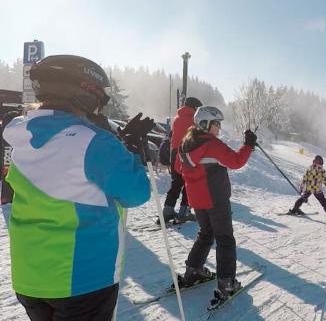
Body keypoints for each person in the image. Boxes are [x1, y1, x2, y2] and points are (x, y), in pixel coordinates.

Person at [3, 55, 153, 321]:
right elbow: (137, 192)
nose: (99, 106)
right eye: (99, 98)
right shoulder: (93, 141)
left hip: (30, 277)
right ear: (83, 93)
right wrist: (131, 149)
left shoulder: (23, 136)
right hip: (81, 278)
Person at [175, 106, 256, 296]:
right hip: (215, 198)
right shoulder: (212, 144)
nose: (219, 128)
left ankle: (193, 270)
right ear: (205, 123)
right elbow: (236, 161)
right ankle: (227, 282)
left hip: (197, 199)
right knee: (225, 238)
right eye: (216, 124)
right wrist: (249, 145)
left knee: (206, 234)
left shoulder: (186, 142)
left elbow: (179, 167)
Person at [162, 96, 203, 223]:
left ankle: (167, 211)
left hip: (174, 153)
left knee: (176, 183)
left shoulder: (177, 118)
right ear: (195, 107)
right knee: (189, 182)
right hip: (187, 153)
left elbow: (172, 136)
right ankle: (184, 211)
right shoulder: (194, 120)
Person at [289, 155, 326, 222]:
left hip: (313, 189)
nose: (317, 163)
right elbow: (305, 178)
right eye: (316, 161)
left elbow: (325, 180)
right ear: (314, 161)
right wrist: (301, 187)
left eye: (319, 161)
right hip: (313, 189)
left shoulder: (318, 170)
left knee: (321, 201)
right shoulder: (313, 170)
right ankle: (295, 209)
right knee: (305, 199)